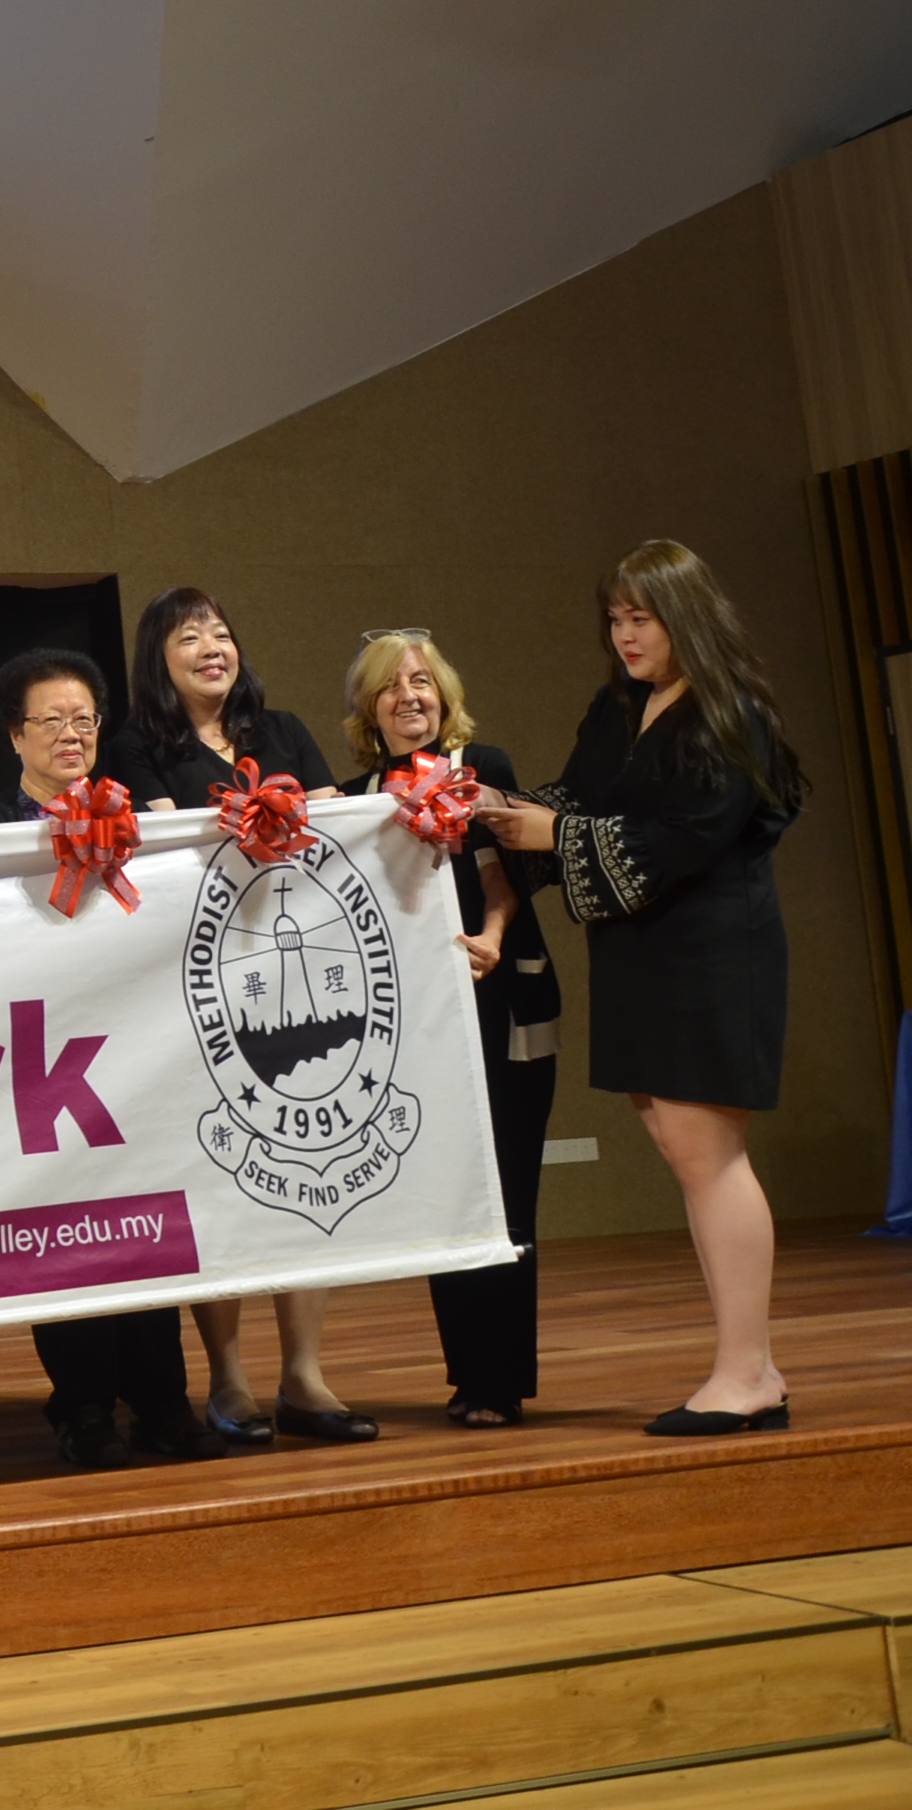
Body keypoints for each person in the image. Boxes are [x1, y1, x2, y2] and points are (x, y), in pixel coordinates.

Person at [481, 541, 804, 1437]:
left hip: (711, 950)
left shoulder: (728, 713)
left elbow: (682, 839)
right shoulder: (619, 704)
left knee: (709, 1154)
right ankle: (752, 1366)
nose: (625, 636)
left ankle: (746, 1371)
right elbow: (578, 800)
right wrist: (491, 810)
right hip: (640, 949)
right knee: (679, 1146)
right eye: (616, 619)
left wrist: (550, 833)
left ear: (684, 618)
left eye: (642, 619)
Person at [104, 587, 362, 1445]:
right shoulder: (137, 745)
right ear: (159, 657)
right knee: (218, 1178)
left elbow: (339, 827)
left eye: (221, 633)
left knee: (306, 1170)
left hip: (305, 967)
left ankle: (305, 1375)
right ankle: (229, 1376)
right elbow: (167, 844)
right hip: (204, 978)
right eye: (190, 636)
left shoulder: (280, 729)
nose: (212, 647)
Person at [0, 649, 224, 1474]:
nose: (71, 734)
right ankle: (84, 1408)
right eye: (52, 720)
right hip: (41, 1062)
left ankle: (163, 1403)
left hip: (136, 1054)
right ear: (15, 735)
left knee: (144, 1225)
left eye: (84, 719)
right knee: (63, 1233)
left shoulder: (141, 823)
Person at [341, 630, 554, 1428]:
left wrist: (491, 936)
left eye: (422, 681)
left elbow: (505, 872)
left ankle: (502, 1382)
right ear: (369, 709)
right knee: (448, 1195)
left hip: (502, 998)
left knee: (508, 1192)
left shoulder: (482, 766)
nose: (410, 696)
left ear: (445, 695)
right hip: (417, 1024)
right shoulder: (357, 796)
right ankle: (468, 1375)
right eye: (391, 686)